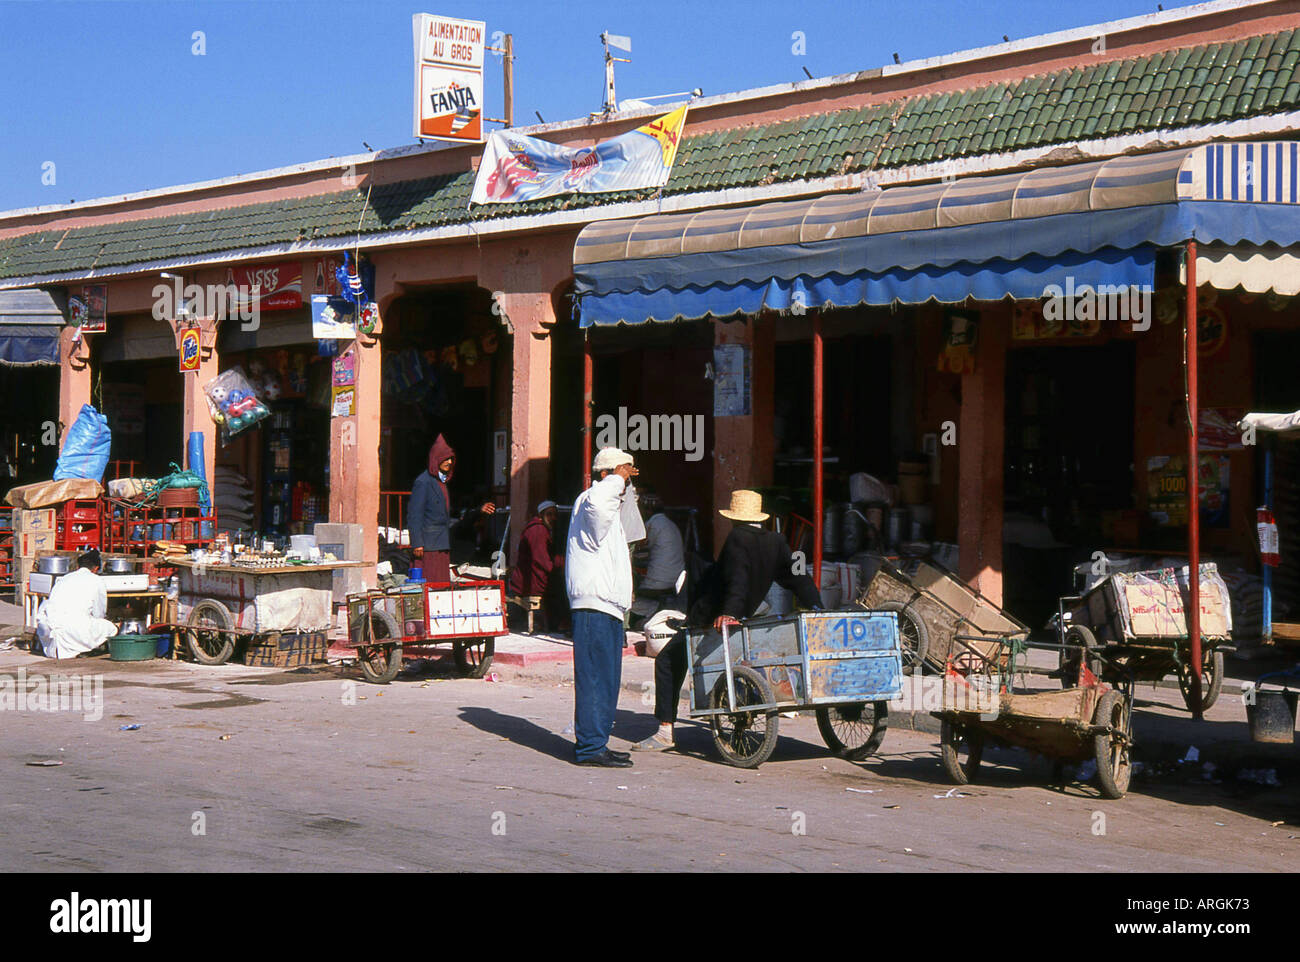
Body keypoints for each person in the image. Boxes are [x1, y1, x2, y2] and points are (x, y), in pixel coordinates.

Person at [632, 489, 822, 752]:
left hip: (714, 615)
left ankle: (665, 730)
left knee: (667, 661)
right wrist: (816, 605)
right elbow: (798, 576)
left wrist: (730, 612)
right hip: (749, 612)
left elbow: (738, 577)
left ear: (734, 518)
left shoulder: (737, 538)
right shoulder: (776, 541)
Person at [566, 447, 641, 768]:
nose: (625, 485)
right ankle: (590, 748)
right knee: (596, 677)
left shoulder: (604, 504)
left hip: (606, 605)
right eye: (624, 474)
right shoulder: (593, 499)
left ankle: (597, 742)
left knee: (606, 679)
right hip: (594, 604)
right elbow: (600, 503)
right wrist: (616, 478)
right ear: (606, 475)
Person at [407, 434, 495, 583]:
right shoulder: (423, 482)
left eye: (450, 459)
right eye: (445, 458)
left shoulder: (441, 482)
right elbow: (414, 515)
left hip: (441, 542)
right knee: (429, 581)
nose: (448, 462)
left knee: (441, 581)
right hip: (428, 544)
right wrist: (417, 543)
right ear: (436, 459)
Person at [37, 550, 117, 660]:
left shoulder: (63, 578)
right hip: (74, 630)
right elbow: (99, 612)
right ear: (96, 569)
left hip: (49, 633)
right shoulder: (97, 580)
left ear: (77, 566)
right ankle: (88, 650)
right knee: (111, 628)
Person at [629, 491, 685, 629]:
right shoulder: (670, 524)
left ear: (646, 510)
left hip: (659, 583)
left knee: (626, 596)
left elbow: (640, 553)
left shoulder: (652, 525)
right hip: (675, 580)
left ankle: (652, 610)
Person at [508, 500, 564, 631]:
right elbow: (542, 560)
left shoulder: (540, 529)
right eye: (549, 515)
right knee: (561, 588)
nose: (553, 518)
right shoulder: (538, 530)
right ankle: (558, 624)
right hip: (530, 581)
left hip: (531, 576)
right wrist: (560, 565)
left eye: (554, 515)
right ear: (541, 515)